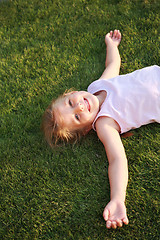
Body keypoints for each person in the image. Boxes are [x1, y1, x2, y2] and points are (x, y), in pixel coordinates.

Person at [42, 30, 160, 229]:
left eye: (71, 102)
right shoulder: (105, 123)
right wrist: (117, 199)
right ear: (87, 128)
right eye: (77, 117)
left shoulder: (95, 86)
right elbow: (117, 160)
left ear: (72, 92)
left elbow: (112, 66)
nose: (79, 106)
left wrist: (111, 46)